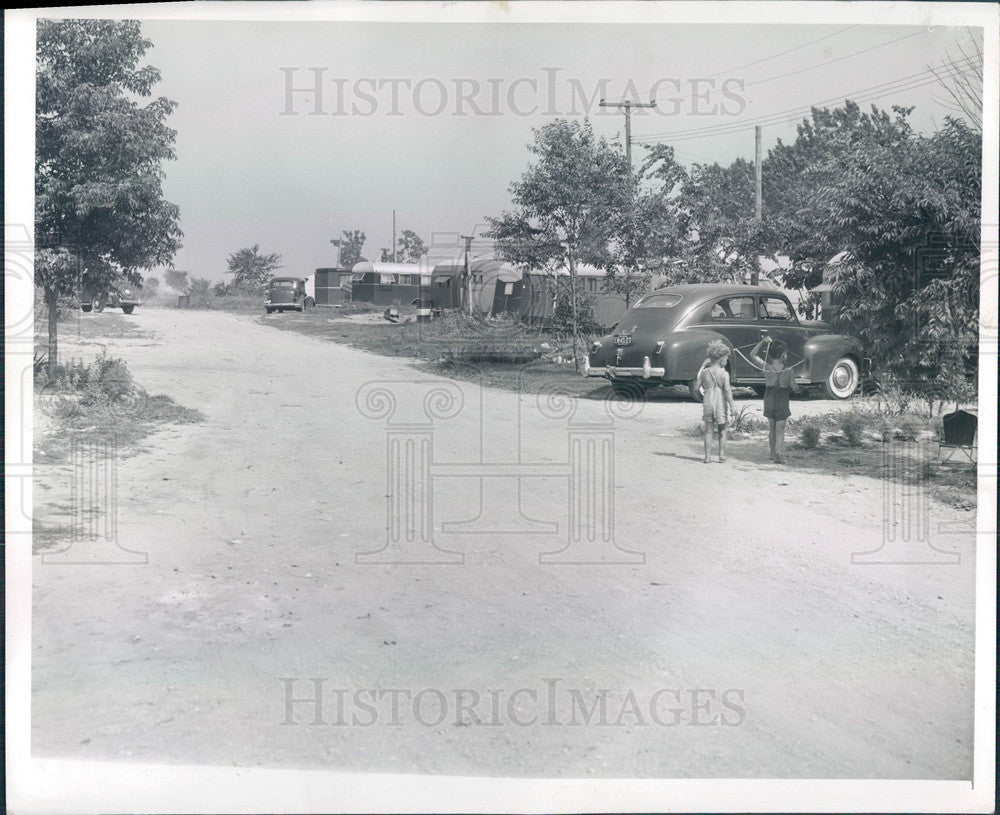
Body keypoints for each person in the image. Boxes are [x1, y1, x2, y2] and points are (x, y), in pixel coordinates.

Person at [750, 335, 799, 463]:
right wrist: (794, 383)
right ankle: (778, 454)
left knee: (772, 428)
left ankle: (772, 453)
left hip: (769, 398)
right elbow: (795, 388)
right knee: (780, 430)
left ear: (770, 355)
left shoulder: (767, 367)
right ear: (783, 355)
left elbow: (752, 355)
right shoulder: (788, 371)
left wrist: (762, 342)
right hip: (782, 399)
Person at [698, 339, 737, 463]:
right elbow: (727, 392)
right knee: (722, 428)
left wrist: (706, 389)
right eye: (726, 359)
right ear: (721, 360)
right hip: (720, 402)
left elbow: (696, 387)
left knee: (708, 430)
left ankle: (707, 456)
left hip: (708, 400)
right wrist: (732, 407)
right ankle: (721, 454)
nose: (726, 361)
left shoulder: (705, 372)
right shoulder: (724, 374)